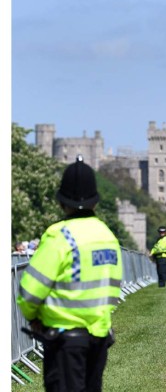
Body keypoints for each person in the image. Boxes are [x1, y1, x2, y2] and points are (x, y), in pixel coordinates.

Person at [17, 155, 122, 392]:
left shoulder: (59, 236)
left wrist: (34, 318)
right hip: (99, 336)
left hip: (65, 341)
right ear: (95, 201)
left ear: (62, 201)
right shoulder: (107, 236)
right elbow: (113, 286)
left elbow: (29, 292)